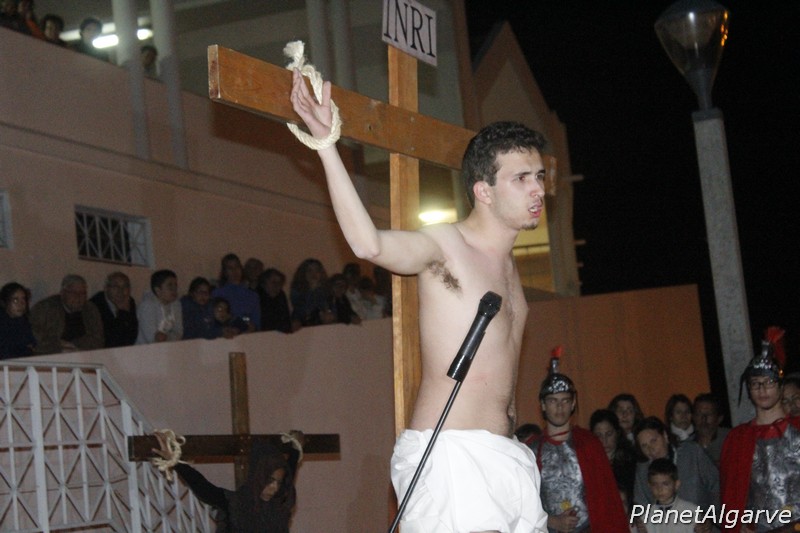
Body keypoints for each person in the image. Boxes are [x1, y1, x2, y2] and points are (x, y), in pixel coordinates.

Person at [291, 70, 549, 531]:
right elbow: (368, 244)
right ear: (484, 191)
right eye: (522, 178)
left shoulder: (510, 271)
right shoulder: (445, 247)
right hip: (451, 459)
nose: (538, 189)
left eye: (540, 176)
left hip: (506, 459)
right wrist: (326, 143)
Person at [527, 348, 629, 532]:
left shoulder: (589, 445)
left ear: (573, 403)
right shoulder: (531, 451)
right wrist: (551, 521)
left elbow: (608, 505)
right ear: (542, 405)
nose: (559, 407)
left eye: (565, 400)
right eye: (553, 401)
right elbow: (522, 504)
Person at [719, 330, 800, 532]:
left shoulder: (798, 429)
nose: (762, 389)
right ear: (748, 389)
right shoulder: (738, 439)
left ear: (781, 387)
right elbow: (732, 495)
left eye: (769, 382)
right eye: (755, 383)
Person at [151, 430, 302, 532]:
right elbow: (203, 487)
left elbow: (289, 474)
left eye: (278, 482)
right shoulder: (235, 504)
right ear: (258, 478)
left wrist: (295, 449)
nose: (274, 488)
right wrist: (175, 462)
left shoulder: (278, 509)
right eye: (269, 481)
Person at [633, 416, 718, 523]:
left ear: (665, 436)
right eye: (644, 446)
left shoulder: (692, 453)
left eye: (654, 441)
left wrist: (710, 518)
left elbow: (716, 486)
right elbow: (641, 507)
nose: (651, 449)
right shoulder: (643, 471)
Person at [29, 274, 104, 354]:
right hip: (51, 355)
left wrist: (74, 346)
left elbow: (99, 339)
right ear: (62, 293)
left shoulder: (90, 309)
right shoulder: (45, 308)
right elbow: (33, 337)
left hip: (82, 354)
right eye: (73, 292)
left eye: (83, 293)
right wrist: (58, 345)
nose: (78, 297)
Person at [636, 458, 704, 533]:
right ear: (649, 486)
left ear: (676, 484)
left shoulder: (691, 511)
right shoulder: (646, 516)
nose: (659, 489)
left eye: (665, 484)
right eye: (655, 484)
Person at [590, 408, 638, 498]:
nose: (604, 440)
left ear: (617, 433)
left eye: (609, 434)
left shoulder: (631, 460)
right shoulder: (588, 462)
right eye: (599, 435)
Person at [212, 253, 260, 332]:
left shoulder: (253, 295)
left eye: (237, 267)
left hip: (249, 335)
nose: (235, 271)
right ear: (225, 272)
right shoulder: (217, 293)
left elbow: (256, 322)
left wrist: (252, 327)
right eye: (230, 268)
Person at [90, 271, 138, 348]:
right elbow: (111, 340)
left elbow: (132, 337)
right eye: (116, 286)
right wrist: (122, 312)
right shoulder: (96, 304)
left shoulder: (129, 302)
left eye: (125, 286)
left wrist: (123, 312)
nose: (121, 291)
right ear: (106, 288)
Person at [136, 269, 182, 344]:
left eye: (175, 285)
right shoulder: (147, 306)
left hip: (170, 346)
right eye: (170, 286)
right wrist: (166, 337)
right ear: (158, 290)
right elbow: (151, 338)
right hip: (146, 348)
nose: (174, 289)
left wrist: (166, 337)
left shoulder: (176, 304)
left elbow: (179, 332)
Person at [289, 258, 334, 330]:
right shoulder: (297, 289)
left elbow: (329, 306)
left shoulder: (326, 289)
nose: (314, 274)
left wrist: (328, 312)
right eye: (309, 270)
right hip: (302, 323)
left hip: (322, 323)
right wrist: (312, 291)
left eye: (317, 271)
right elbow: (301, 310)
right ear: (303, 273)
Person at [0, 281, 36, 358]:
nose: (21, 304)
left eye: (23, 299)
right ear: (5, 302)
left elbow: (32, 344)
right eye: (15, 300)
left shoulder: (23, 321)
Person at [691, 393, 729, 466]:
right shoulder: (687, 446)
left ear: (719, 418)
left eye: (709, 414)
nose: (703, 419)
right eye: (699, 414)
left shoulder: (731, 439)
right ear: (693, 417)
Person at [256, 268, 292, 333]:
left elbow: (286, 318)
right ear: (264, 283)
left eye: (279, 283)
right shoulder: (255, 296)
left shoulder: (281, 295)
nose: (276, 286)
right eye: (273, 282)